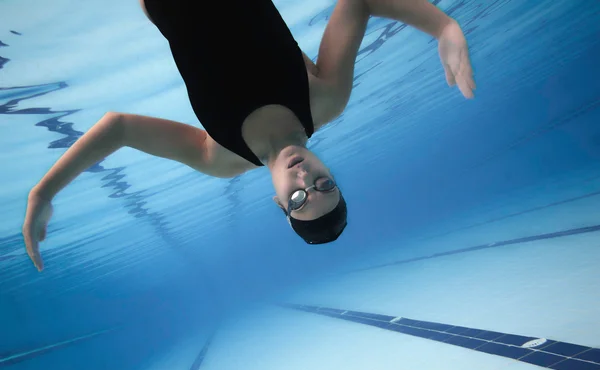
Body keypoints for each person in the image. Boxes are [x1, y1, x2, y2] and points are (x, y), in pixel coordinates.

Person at [22, 0, 476, 271]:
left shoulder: (219, 158)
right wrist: (444, 25)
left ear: (280, 205)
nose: (306, 181)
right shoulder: (325, 101)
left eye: (299, 200)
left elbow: (118, 127)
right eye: (325, 186)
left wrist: (42, 192)